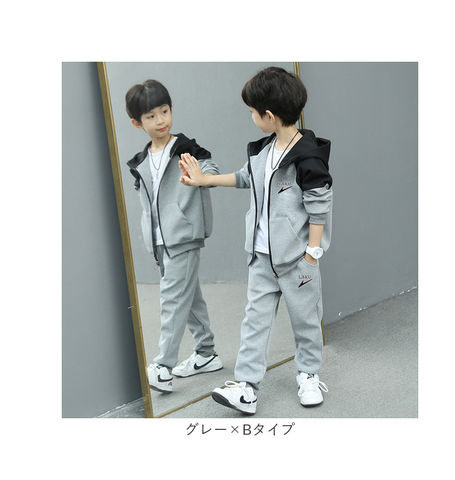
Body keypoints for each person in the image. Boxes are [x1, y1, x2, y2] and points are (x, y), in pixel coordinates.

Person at [179, 66, 333, 415]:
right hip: (262, 257)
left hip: (297, 260)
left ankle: (309, 374)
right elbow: (246, 177)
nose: (251, 117)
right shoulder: (264, 150)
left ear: (269, 115)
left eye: (252, 111)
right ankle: (247, 387)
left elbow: (319, 206)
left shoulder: (308, 155)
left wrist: (311, 255)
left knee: (306, 320)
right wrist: (204, 181)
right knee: (255, 321)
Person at [125, 79, 223, 394]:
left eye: (165, 111)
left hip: (183, 236)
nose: (161, 120)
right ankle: (206, 353)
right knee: (188, 297)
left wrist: (202, 176)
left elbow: (209, 170)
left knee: (172, 300)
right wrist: (153, 242)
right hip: (160, 243)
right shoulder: (141, 162)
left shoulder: (185, 148)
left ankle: (163, 366)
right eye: (151, 116)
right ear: (137, 123)